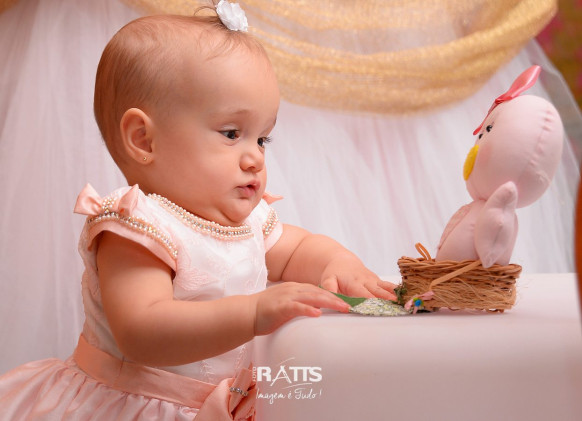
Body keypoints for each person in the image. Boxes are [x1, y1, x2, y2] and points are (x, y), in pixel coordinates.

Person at [0, 2, 395, 419]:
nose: (255, 159)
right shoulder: (136, 226)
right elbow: (142, 330)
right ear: (144, 140)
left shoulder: (247, 222)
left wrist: (339, 263)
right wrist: (253, 312)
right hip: (134, 406)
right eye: (232, 133)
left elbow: (298, 249)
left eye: (262, 139)